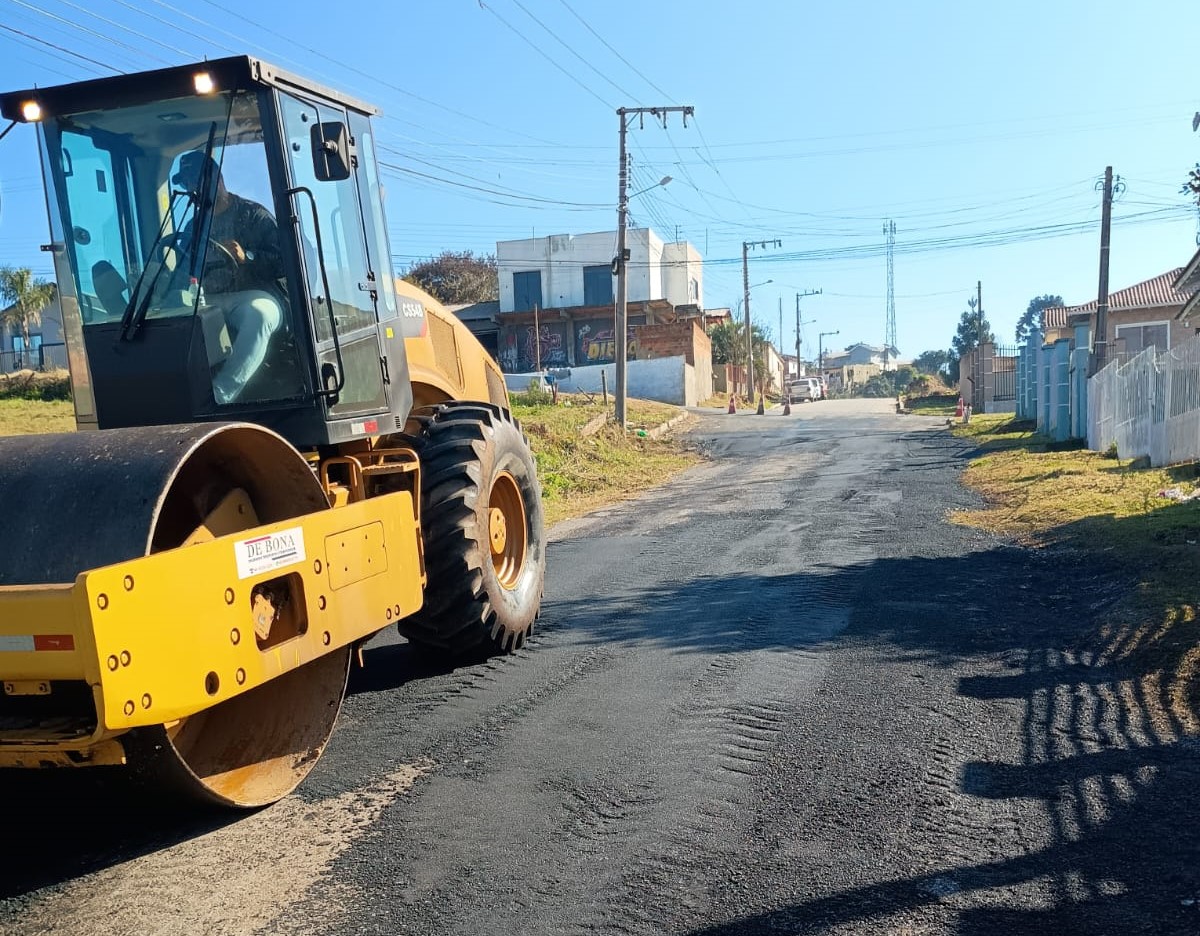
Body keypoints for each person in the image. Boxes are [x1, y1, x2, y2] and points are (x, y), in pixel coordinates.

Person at [172, 150, 286, 405]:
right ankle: (175, 396)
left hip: (254, 295)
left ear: (217, 179)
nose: (193, 188)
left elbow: (284, 263)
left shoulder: (254, 215)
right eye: (188, 183)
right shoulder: (193, 227)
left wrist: (249, 257)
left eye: (196, 180)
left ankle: (220, 395)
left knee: (259, 314)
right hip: (208, 298)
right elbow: (185, 271)